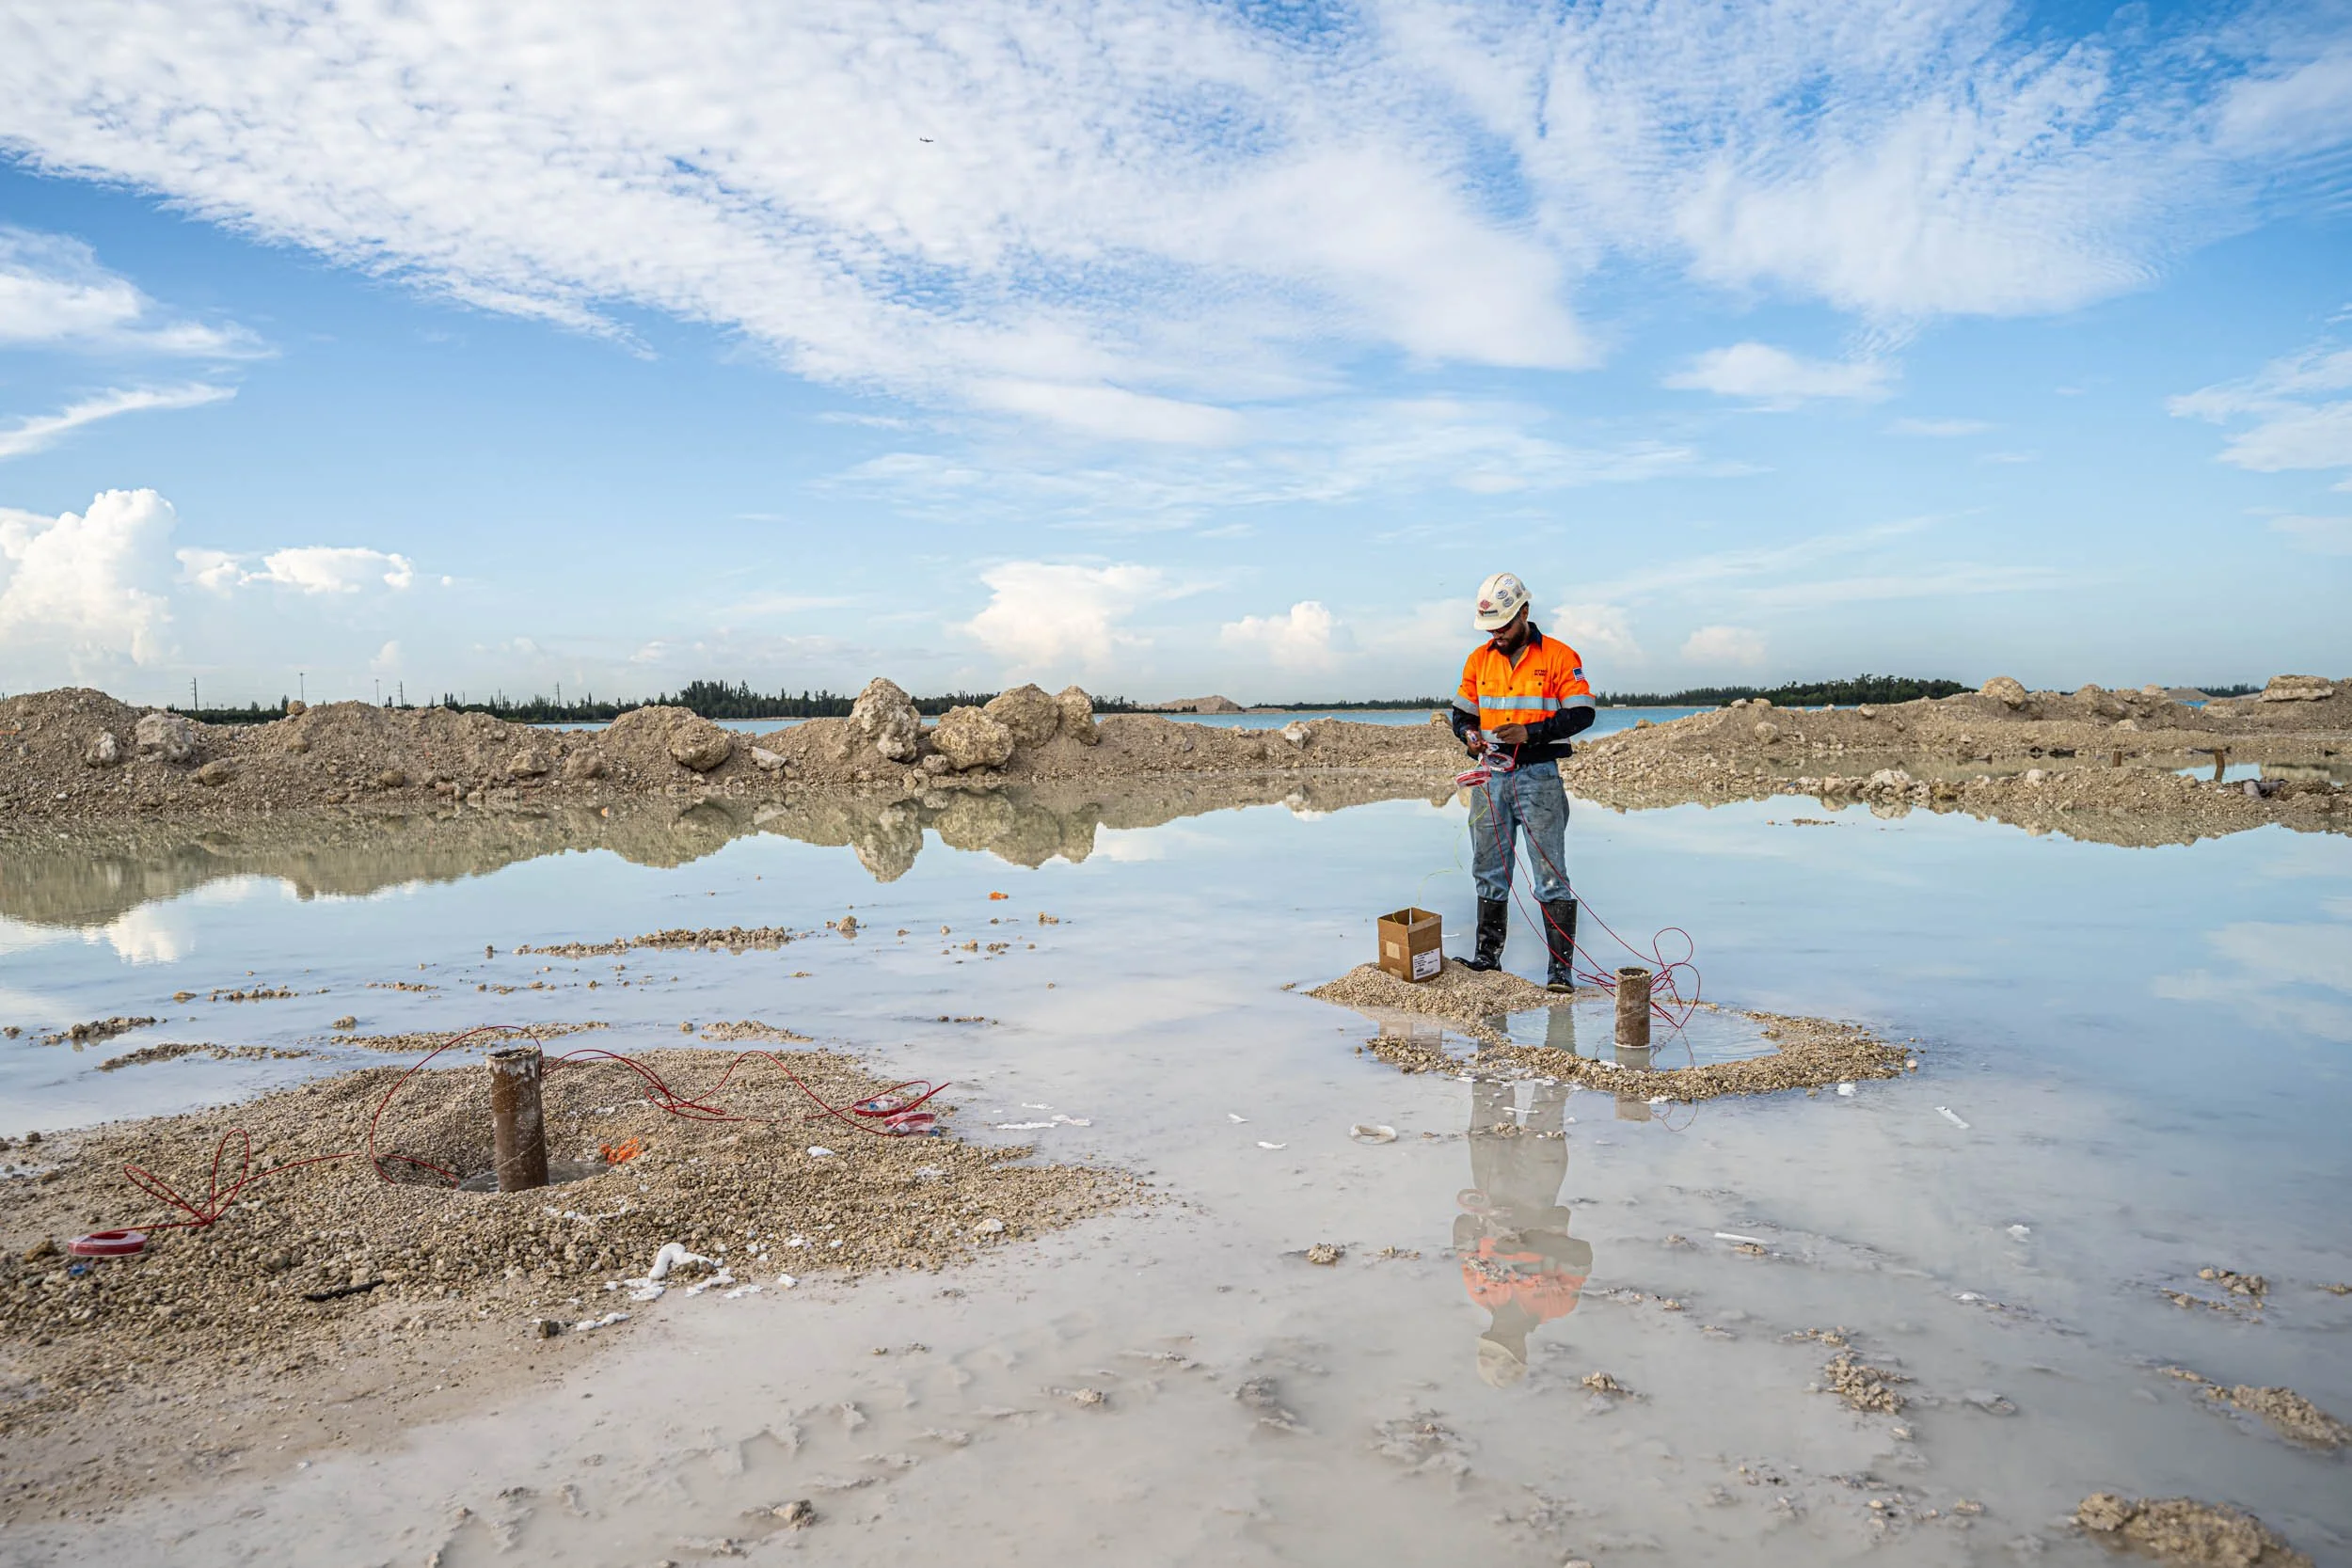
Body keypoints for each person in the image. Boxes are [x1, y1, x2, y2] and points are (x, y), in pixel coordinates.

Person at [1447, 572, 1595, 990]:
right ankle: (1486, 959)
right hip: (1490, 776)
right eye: (1491, 629)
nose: (1498, 636)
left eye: (1505, 627)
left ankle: (1559, 973)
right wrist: (1469, 736)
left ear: (1525, 613)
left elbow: (1582, 714)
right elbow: (1462, 713)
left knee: (1550, 873)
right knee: (1488, 867)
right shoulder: (1480, 659)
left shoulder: (1560, 657)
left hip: (1538, 777)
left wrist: (1531, 733)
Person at [1455, 1071, 1592, 1387]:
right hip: (1538, 1192)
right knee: (1550, 1095)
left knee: (1489, 1091)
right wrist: (1527, 1242)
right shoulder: (1558, 1305)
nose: (1502, 1333)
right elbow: (1582, 1254)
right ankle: (1561, 1024)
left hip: (1491, 1185)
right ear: (1521, 1349)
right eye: (1505, 1342)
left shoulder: (1480, 1291)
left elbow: (1460, 1230)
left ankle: (1491, 1026)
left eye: (1495, 1337)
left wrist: (1483, 1224)